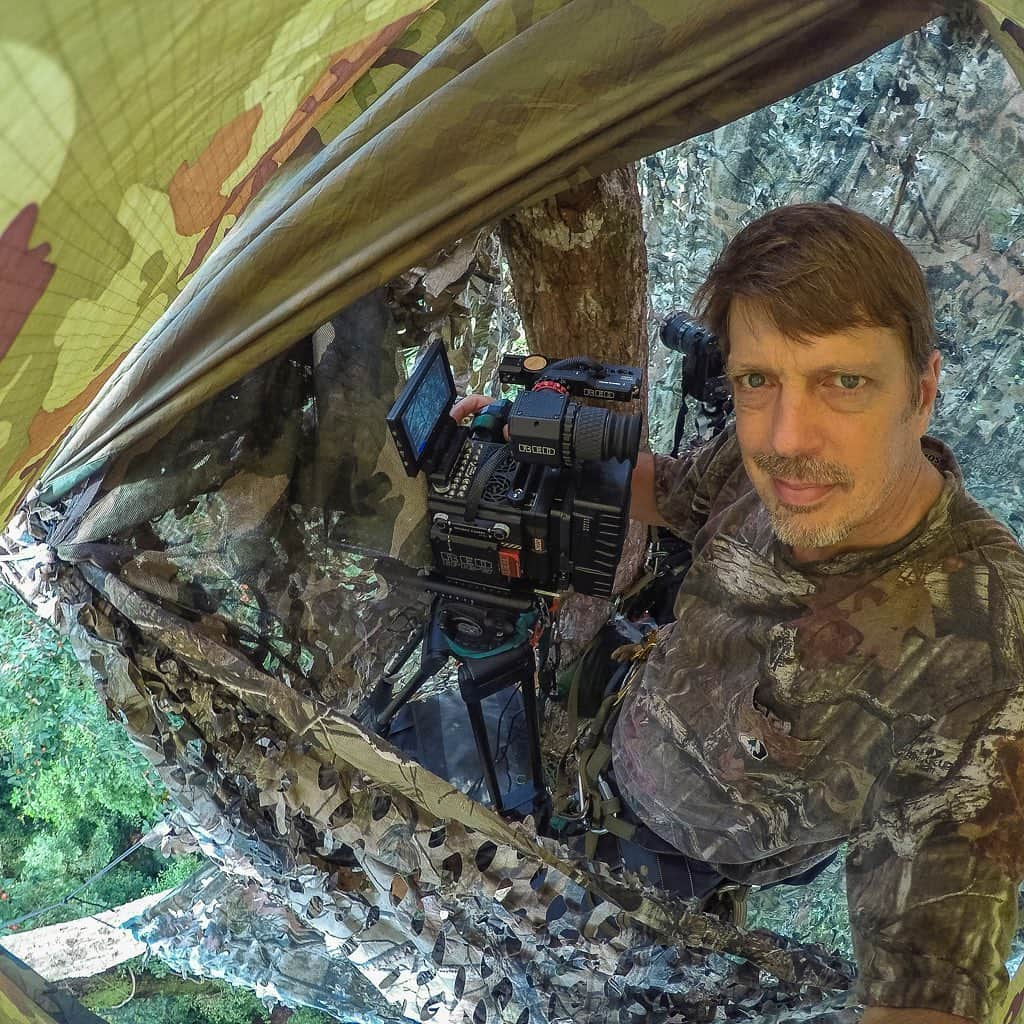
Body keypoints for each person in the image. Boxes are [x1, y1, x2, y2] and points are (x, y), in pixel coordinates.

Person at [450, 203, 1024, 1024]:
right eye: (759, 379)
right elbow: (684, 492)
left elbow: (930, 982)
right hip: (607, 720)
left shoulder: (979, 650)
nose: (789, 437)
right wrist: (530, 450)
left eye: (844, 382)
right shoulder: (771, 462)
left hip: (668, 872)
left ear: (922, 392)